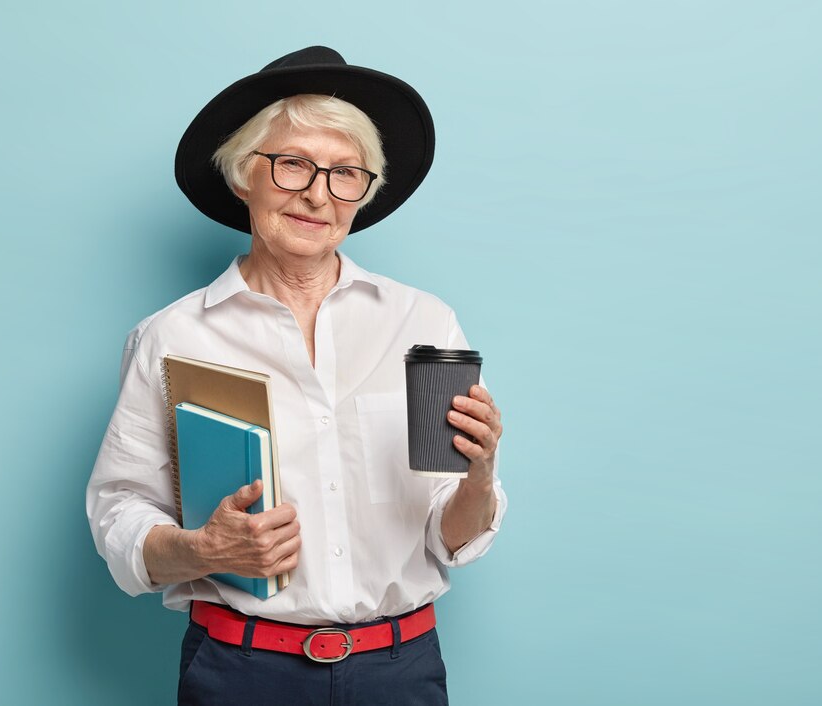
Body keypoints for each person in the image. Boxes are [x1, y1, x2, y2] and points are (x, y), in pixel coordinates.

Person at [86, 46, 507, 705]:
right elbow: (119, 517)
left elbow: (449, 534)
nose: (318, 193)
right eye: (292, 166)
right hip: (239, 671)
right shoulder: (171, 337)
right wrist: (205, 549)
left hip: (400, 672)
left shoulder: (425, 325)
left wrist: (478, 478)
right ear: (241, 176)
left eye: (346, 174)